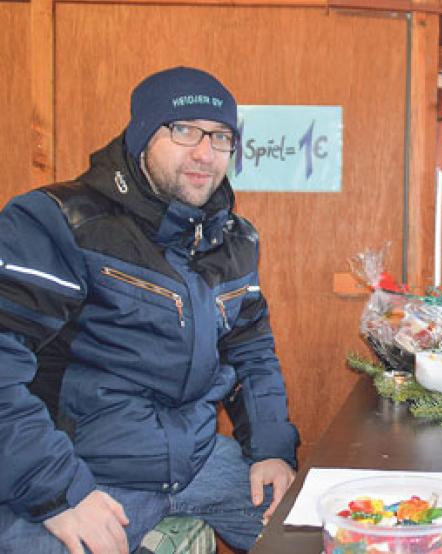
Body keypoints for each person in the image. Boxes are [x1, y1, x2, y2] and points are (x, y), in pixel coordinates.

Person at [0, 66, 299, 553]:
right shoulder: (56, 221)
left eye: (221, 136)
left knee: (322, 534)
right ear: (141, 136)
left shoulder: (234, 240)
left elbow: (251, 352)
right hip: (85, 474)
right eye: (184, 130)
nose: (205, 152)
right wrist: (57, 491)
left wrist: (271, 450)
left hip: (198, 460)